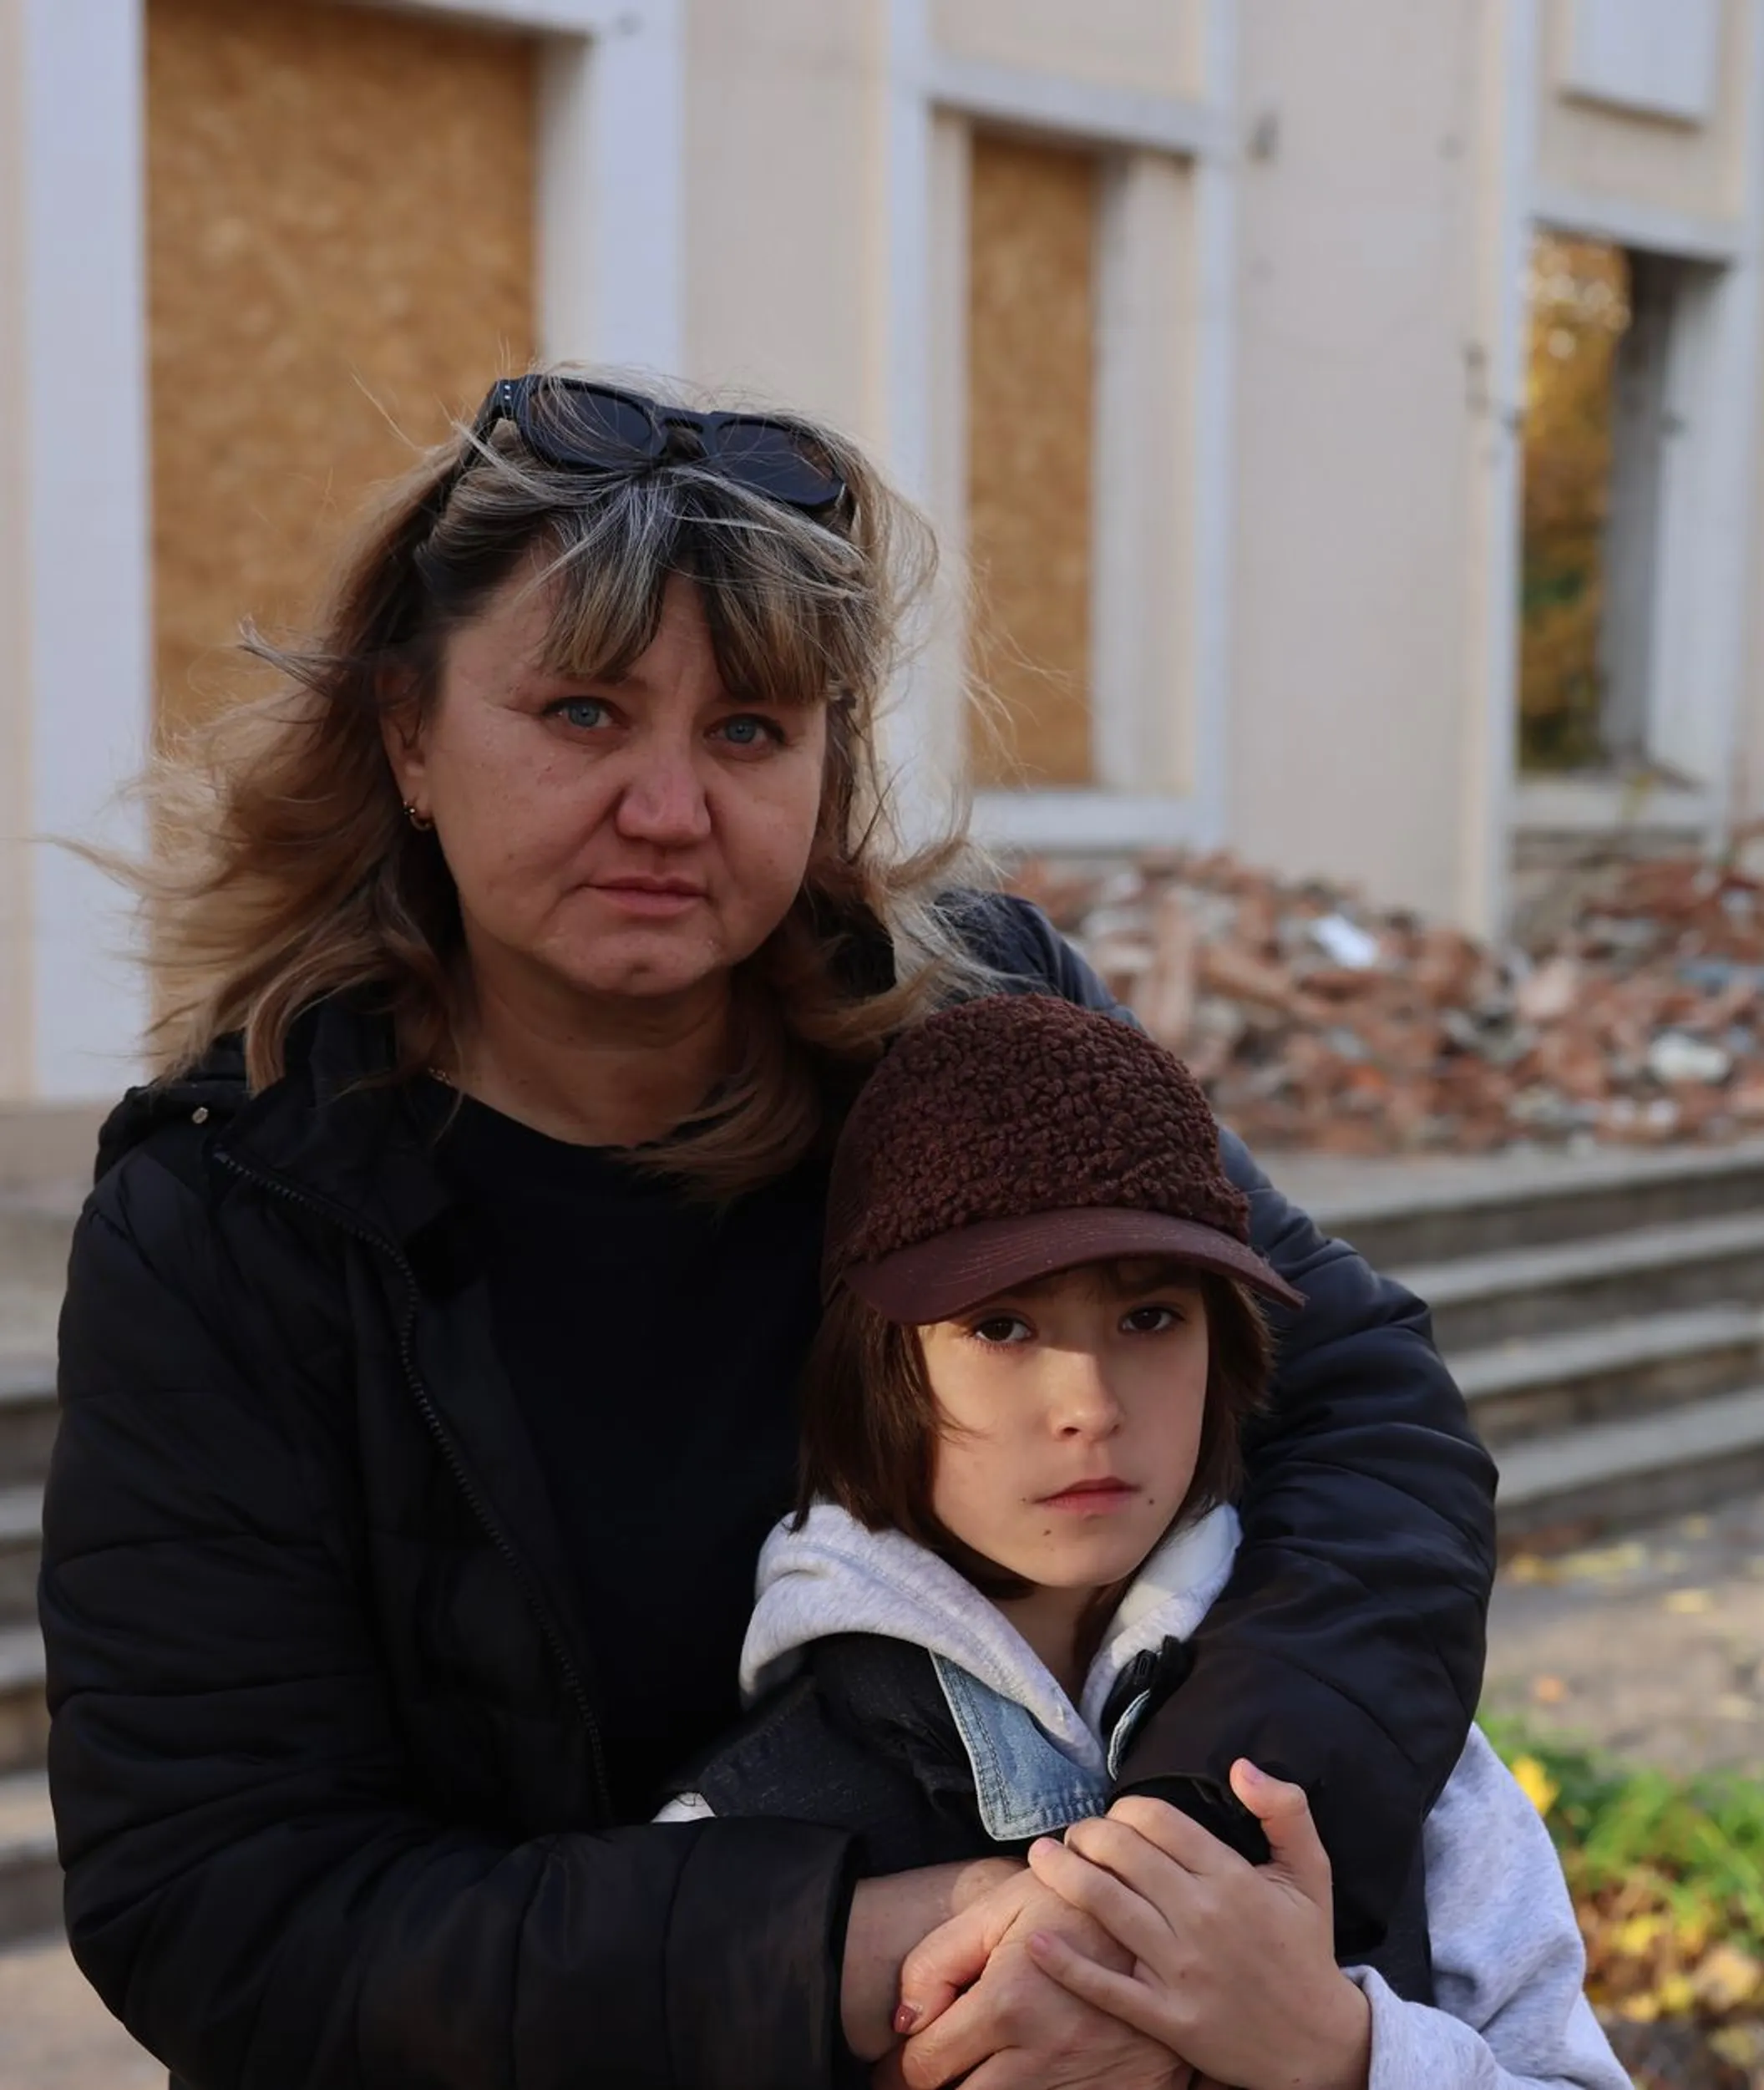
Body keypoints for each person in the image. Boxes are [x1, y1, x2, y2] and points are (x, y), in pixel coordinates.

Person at [39, 369, 1495, 2087]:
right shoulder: (230, 1231)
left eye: (748, 730)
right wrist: (861, 1945)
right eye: (584, 713)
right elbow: (224, 1902)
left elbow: (1363, 1411)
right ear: (407, 733)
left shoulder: (972, 1032)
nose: (670, 808)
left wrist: (1162, 1870)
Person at [658, 992, 1623, 2090]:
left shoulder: (1402, 1757)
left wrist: (1342, 2051)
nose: (1091, 1402)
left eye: (1152, 1316)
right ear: (874, 1368)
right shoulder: (741, 1834)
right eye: (1002, 1325)